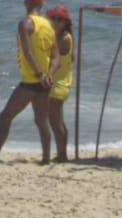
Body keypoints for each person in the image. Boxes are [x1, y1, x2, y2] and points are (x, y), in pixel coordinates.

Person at [0, 0, 59, 164]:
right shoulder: (49, 25)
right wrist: (49, 74)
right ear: (42, 5)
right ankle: (46, 159)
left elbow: (27, 52)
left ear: (26, 3)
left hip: (31, 80)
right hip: (45, 82)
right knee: (41, 119)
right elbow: (57, 57)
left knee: (5, 116)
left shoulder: (26, 23)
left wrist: (39, 73)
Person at [45, 7, 74, 163]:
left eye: (59, 20)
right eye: (53, 19)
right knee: (56, 120)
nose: (55, 22)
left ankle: (62, 155)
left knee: (55, 120)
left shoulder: (63, 38)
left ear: (65, 23)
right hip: (58, 81)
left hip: (60, 83)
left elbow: (50, 56)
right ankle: (61, 153)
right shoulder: (57, 36)